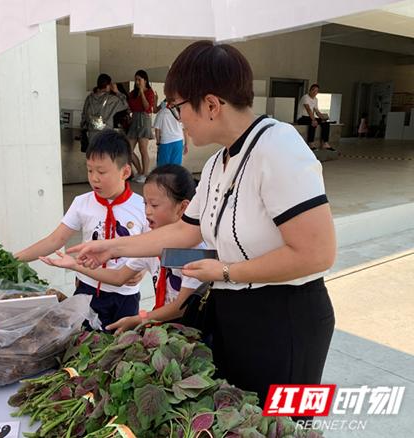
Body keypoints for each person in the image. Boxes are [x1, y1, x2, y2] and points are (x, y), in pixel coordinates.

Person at [69, 41, 336, 408]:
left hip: (285, 320)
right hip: (235, 315)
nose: (177, 120)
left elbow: (317, 254)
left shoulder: (279, 147)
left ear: (211, 104)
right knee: (237, 421)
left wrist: (226, 270)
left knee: (279, 426)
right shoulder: (216, 165)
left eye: (178, 108)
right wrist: (111, 247)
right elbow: (186, 230)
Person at [40, 164, 204, 333]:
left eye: (154, 205)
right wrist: (75, 265)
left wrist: (140, 319)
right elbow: (119, 276)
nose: (147, 211)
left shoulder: (195, 250)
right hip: (166, 330)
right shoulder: (149, 247)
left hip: (196, 333)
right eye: (145, 203)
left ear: (183, 207)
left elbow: (182, 307)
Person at [14, 130, 149, 328]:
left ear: (125, 172)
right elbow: (55, 240)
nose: (94, 178)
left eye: (101, 172)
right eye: (89, 170)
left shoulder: (142, 207)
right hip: (87, 288)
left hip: (125, 296)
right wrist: (12, 259)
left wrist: (142, 270)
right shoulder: (82, 203)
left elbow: (151, 248)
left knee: (121, 348)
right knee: (82, 346)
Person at [81, 73, 129, 147]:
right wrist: (117, 91)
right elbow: (125, 104)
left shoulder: (89, 98)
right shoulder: (112, 100)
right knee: (105, 156)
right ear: (107, 85)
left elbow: (84, 116)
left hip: (91, 133)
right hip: (106, 133)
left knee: (93, 156)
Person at [127, 70, 156, 182]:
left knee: (143, 148)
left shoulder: (149, 92)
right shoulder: (132, 93)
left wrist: (142, 92)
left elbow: (147, 107)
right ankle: (139, 171)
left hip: (144, 119)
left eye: (139, 79)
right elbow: (130, 106)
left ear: (145, 80)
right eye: (136, 79)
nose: (137, 82)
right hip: (134, 119)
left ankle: (145, 173)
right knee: (128, 149)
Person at [296, 84, 334, 151]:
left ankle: (325, 143)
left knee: (325, 123)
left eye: (316, 91)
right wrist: (313, 119)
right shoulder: (305, 97)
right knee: (313, 123)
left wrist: (323, 118)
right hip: (302, 118)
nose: (314, 92)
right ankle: (311, 143)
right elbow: (308, 109)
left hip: (309, 117)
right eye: (313, 90)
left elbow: (317, 111)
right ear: (310, 90)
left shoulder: (315, 99)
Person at [154, 99, 189, 166]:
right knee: (176, 166)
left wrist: (158, 142)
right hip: (178, 141)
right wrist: (186, 144)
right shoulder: (180, 113)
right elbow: (184, 129)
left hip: (166, 142)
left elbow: (157, 129)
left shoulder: (162, 112)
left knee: (163, 166)